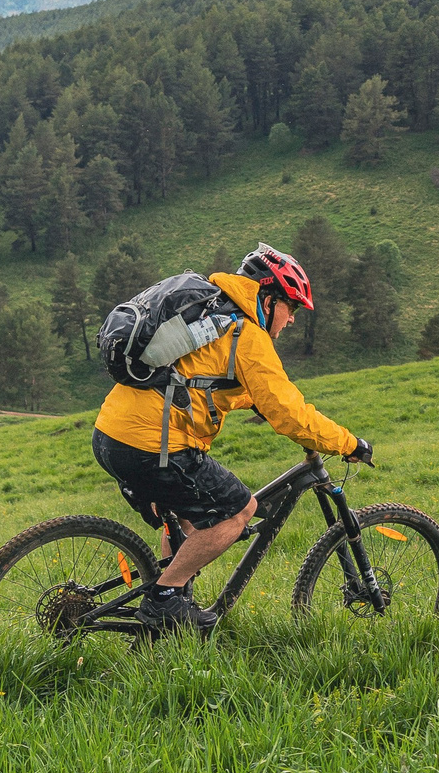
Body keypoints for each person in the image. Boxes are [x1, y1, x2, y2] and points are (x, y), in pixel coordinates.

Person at [91, 243, 372, 634]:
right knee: (237, 512)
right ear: (269, 299)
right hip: (152, 445)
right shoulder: (247, 334)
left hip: (111, 435)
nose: (291, 320)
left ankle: (170, 618)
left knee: (189, 521)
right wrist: (349, 443)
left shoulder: (212, 313)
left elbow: (195, 381)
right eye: (291, 309)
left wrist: (251, 401)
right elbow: (290, 413)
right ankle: (165, 600)